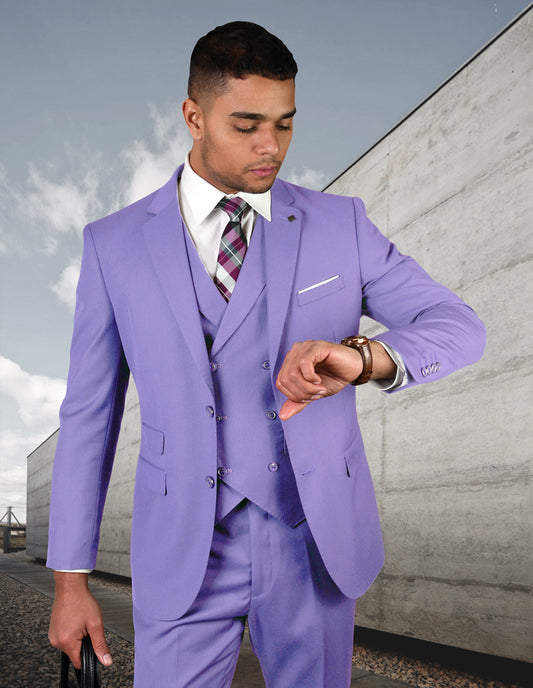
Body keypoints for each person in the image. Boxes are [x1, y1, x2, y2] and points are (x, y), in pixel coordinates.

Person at [47, 21, 485, 688]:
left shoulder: (340, 225)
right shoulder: (113, 245)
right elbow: (88, 414)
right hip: (184, 547)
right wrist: (70, 580)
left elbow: (456, 324)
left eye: (284, 124)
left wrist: (363, 356)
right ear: (193, 116)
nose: (270, 146)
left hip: (311, 540)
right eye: (246, 124)